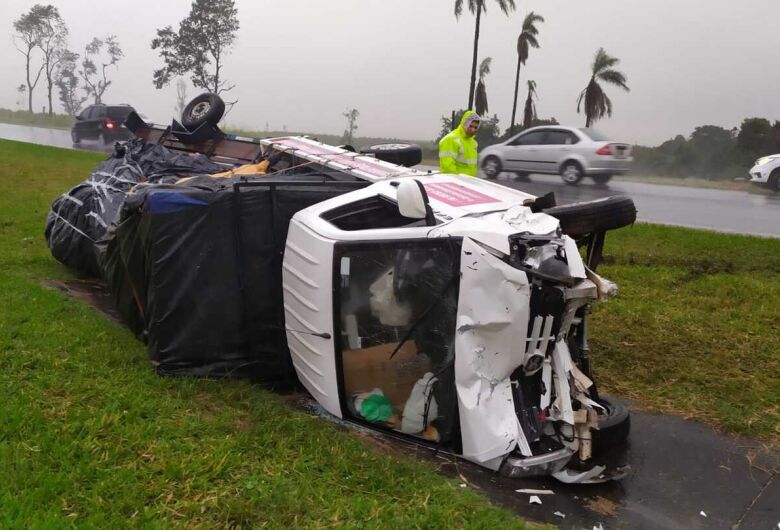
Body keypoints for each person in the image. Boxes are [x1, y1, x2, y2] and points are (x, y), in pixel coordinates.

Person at [438, 110, 480, 177]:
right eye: (470, 126)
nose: (473, 130)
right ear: (465, 124)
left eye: (475, 127)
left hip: (469, 183)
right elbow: (448, 168)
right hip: (456, 184)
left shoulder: (473, 143)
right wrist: (458, 184)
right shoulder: (451, 139)